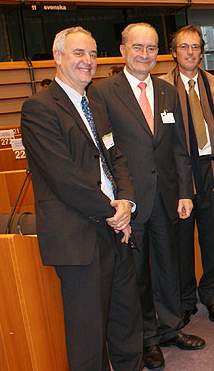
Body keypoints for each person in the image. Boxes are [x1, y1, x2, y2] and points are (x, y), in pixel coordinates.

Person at [21, 26, 143, 371]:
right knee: (88, 336)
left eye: (92, 54)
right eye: (79, 53)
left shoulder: (96, 105)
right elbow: (64, 177)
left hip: (117, 229)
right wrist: (113, 212)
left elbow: (116, 158)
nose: (87, 61)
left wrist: (126, 202)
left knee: (126, 321)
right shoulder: (39, 109)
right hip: (79, 235)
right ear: (57, 56)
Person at [88, 23, 204, 370]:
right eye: (137, 47)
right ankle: (147, 338)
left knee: (169, 267)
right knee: (136, 274)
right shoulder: (103, 92)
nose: (144, 54)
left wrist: (185, 192)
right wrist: (116, 197)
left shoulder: (167, 91)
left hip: (167, 197)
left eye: (151, 48)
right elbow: (104, 150)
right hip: (130, 201)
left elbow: (179, 146)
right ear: (123, 50)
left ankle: (171, 327)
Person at [159, 25, 214, 325]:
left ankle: (213, 296)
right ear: (173, 52)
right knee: (181, 242)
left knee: (213, 238)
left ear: (202, 52)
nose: (190, 52)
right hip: (179, 174)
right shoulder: (162, 89)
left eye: (195, 46)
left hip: (213, 170)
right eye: (184, 46)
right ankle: (185, 301)